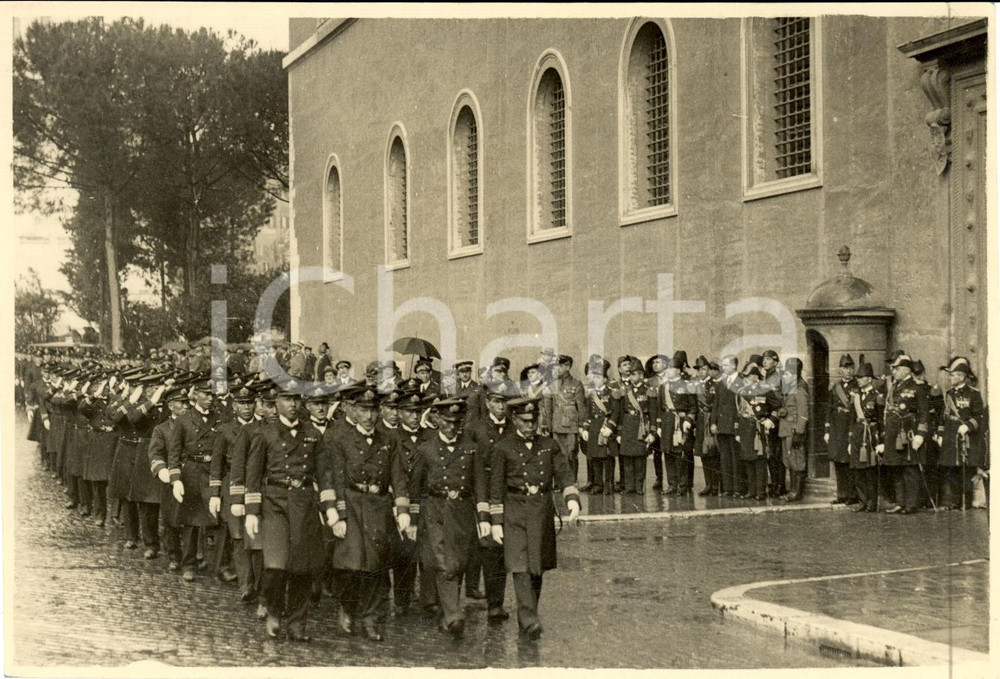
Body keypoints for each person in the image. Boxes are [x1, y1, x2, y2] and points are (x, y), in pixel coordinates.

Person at [244, 381, 337, 641]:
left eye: (297, 400)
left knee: (302, 569)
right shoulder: (265, 434)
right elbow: (253, 474)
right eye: (287, 399)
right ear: (276, 402)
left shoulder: (312, 435)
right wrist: (251, 510)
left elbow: (325, 474)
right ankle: (274, 610)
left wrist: (329, 507)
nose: (293, 405)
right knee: (275, 566)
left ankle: (298, 623)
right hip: (274, 504)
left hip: (305, 503)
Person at [489, 396, 580, 640]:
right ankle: (529, 620)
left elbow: (564, 474)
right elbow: (495, 488)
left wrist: (572, 500)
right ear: (514, 420)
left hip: (541, 510)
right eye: (525, 421)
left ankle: (528, 615)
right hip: (515, 510)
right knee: (520, 566)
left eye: (534, 420)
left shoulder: (548, 445)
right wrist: (496, 523)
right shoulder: (503, 448)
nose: (530, 426)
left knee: (536, 567)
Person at [326, 387, 411, 642]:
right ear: (352, 410)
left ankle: (370, 618)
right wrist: (337, 514)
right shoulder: (340, 439)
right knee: (350, 565)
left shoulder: (389, 439)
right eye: (363, 409)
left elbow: (398, 475)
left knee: (376, 566)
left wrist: (402, 509)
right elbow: (335, 478)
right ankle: (347, 606)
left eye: (373, 409)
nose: (369, 416)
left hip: (378, 505)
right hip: (351, 504)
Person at [411, 397, 489, 638]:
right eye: (447, 421)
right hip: (435, 511)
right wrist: (414, 520)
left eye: (457, 422)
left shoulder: (470, 448)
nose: (452, 427)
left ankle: (448, 613)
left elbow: (480, 484)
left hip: (463, 511)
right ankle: (454, 614)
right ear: (436, 420)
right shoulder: (426, 450)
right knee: (444, 562)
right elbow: (416, 487)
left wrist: (484, 517)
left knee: (459, 562)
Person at [167, 378, 224, 581]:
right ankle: (188, 564)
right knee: (191, 522)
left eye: (212, 395)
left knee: (216, 519)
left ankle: (219, 565)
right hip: (192, 471)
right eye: (206, 394)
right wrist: (176, 479)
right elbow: (174, 453)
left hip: (214, 472)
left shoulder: (220, 419)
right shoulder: (184, 420)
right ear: (195, 396)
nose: (210, 398)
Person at [464, 386, 513, 621]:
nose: (501, 407)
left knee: (501, 546)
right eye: (496, 402)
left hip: (508, 493)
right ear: (488, 403)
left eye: (505, 402)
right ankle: (486, 597)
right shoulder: (476, 429)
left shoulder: (515, 427)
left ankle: (496, 602)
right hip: (481, 491)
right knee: (486, 545)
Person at [880, 354, 930, 515]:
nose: (893, 371)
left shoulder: (917, 387)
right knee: (896, 469)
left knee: (910, 470)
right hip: (894, 434)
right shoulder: (893, 386)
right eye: (893, 369)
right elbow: (887, 412)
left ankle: (911, 504)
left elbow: (924, 413)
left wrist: (920, 434)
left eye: (897, 368)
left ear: (906, 369)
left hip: (908, 434)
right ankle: (900, 503)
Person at [939, 357, 987, 510]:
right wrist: (940, 434)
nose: (950, 378)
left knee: (965, 471)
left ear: (961, 376)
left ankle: (965, 503)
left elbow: (980, 416)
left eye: (953, 375)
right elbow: (943, 415)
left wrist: (968, 426)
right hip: (950, 436)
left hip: (965, 437)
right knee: (951, 469)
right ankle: (954, 501)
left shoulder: (973, 394)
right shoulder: (949, 393)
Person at [736, 365, 781, 501]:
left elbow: (777, 407)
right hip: (745, 428)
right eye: (745, 377)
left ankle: (760, 491)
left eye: (748, 376)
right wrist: (737, 431)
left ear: (755, 377)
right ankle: (751, 490)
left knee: (759, 461)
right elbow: (738, 414)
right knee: (748, 460)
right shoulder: (741, 392)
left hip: (758, 429)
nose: (745, 379)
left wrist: (771, 420)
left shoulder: (765, 391)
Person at [655, 351, 695, 497]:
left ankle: (682, 486)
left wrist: (689, 420)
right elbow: (659, 408)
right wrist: (659, 425)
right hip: (667, 423)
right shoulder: (663, 387)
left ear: (678, 370)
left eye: (671, 368)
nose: (669, 371)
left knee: (681, 455)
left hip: (680, 423)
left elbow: (693, 407)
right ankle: (672, 484)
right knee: (668, 454)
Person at [615, 357, 656, 494]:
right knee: (627, 459)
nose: (631, 376)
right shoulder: (625, 391)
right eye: (630, 374)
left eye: (633, 374)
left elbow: (653, 413)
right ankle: (629, 487)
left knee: (639, 460)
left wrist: (652, 432)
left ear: (641, 374)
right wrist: (619, 432)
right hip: (627, 427)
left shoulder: (648, 390)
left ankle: (639, 487)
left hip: (641, 427)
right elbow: (620, 413)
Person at [582, 356, 621, 495]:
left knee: (608, 458)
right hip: (594, 428)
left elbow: (616, 412)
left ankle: (608, 484)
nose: (595, 380)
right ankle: (597, 484)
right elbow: (587, 413)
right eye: (594, 377)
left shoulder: (612, 393)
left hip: (606, 427)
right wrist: (585, 428)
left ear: (604, 379)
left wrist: (610, 427)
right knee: (595, 458)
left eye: (598, 377)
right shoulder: (591, 395)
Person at [824, 354, 859, 505]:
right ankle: (841, 494)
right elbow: (829, 410)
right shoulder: (835, 387)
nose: (849, 371)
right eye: (846, 368)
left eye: (851, 368)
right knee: (838, 462)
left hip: (849, 427)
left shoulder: (857, 387)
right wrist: (826, 430)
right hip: (836, 429)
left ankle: (852, 495)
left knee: (849, 463)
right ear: (840, 370)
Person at [848, 362, 882, 512]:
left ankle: (872, 503)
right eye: (858, 377)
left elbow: (881, 420)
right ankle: (862, 501)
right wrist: (850, 440)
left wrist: (881, 441)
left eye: (861, 377)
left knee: (870, 471)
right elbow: (852, 418)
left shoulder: (877, 397)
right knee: (858, 470)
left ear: (869, 379)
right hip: (857, 435)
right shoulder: (856, 397)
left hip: (870, 436)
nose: (858, 380)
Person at [551, 355, 586, 487]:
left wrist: (582, 425)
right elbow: (548, 406)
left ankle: (572, 481)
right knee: (557, 453)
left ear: (568, 367)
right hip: (556, 423)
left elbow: (581, 406)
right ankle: (559, 482)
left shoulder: (576, 384)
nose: (558, 368)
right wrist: (547, 425)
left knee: (571, 453)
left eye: (561, 365)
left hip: (571, 424)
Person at [779, 358, 810, 502]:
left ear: (795, 374)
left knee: (797, 462)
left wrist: (799, 433)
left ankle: (796, 493)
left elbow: (803, 414)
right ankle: (792, 490)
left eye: (787, 374)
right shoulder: (790, 389)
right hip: (786, 430)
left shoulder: (800, 390)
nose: (784, 376)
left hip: (793, 431)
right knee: (790, 461)